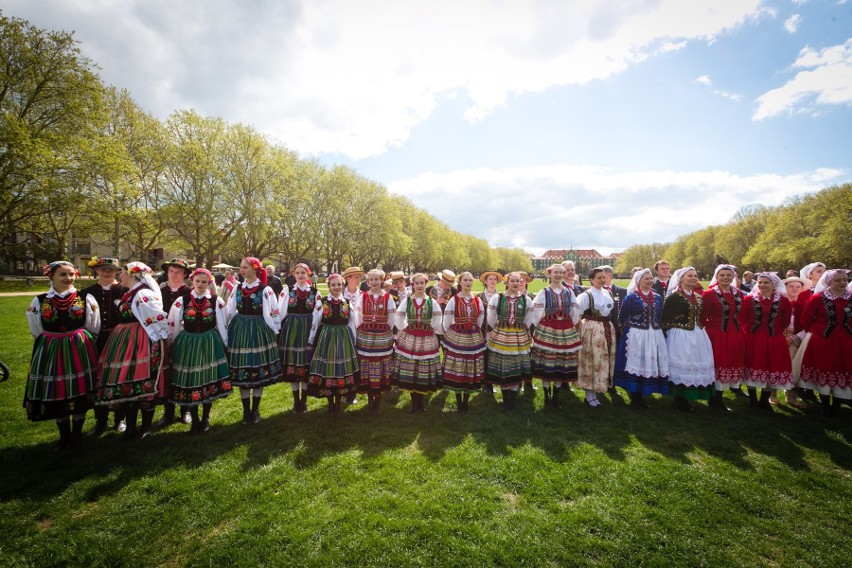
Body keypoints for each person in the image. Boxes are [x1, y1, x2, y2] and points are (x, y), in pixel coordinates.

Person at [25, 261, 100, 449]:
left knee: (79, 387)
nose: (68, 278)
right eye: (62, 274)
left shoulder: (85, 297)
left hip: (79, 347)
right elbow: (36, 329)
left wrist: (81, 340)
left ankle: (77, 434)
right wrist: (52, 341)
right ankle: (64, 434)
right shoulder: (39, 301)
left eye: (71, 274)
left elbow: (93, 325)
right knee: (58, 388)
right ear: (51, 276)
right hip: (52, 349)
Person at [95, 262, 169, 439]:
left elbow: (157, 320)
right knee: (128, 381)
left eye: (123, 272)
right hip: (127, 339)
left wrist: (160, 342)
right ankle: (130, 425)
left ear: (132, 275)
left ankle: (145, 426)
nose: (120, 275)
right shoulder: (131, 293)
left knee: (143, 380)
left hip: (141, 340)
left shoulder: (143, 294)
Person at [166, 268, 232, 433]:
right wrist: (171, 343)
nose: (201, 285)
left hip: (209, 342)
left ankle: (205, 418)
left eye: (204, 282)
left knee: (207, 377)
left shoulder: (217, 301)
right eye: (198, 281)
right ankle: (195, 420)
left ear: (209, 282)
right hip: (188, 342)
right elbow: (173, 323)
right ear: (192, 282)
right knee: (192, 380)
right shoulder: (182, 300)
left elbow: (223, 324)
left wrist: (225, 344)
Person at [226, 257, 283, 424]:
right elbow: (229, 311)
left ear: (254, 269)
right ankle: (246, 411)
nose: (241, 270)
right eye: (240, 267)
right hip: (241, 329)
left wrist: (275, 330)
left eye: (245, 267)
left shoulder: (265, 290)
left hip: (259, 329)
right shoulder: (237, 288)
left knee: (258, 368)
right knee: (243, 367)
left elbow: (273, 311)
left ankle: (255, 409)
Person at [80, 257, 128, 436]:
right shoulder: (86, 292)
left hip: (119, 339)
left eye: (111, 269)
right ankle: (100, 420)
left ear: (117, 271)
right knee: (98, 377)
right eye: (102, 269)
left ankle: (120, 418)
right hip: (95, 341)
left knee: (119, 376)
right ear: (97, 270)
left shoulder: (125, 291)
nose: (107, 272)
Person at [793, 269, 851, 415]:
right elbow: (806, 319)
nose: (842, 283)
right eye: (838, 280)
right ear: (829, 282)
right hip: (821, 339)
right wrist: (818, 331)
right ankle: (825, 405)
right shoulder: (818, 298)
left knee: (843, 368)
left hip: (845, 340)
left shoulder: (850, 298)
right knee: (823, 367)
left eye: (845, 279)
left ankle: (837, 404)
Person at [661, 267, 716, 411]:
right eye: (689, 276)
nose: (693, 278)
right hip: (679, 336)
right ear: (681, 279)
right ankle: (679, 398)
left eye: (695, 276)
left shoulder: (698, 297)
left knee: (694, 362)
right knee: (682, 362)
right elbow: (665, 319)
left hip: (697, 335)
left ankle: (688, 395)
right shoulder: (674, 297)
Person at [613, 268, 669, 409]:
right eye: (646, 279)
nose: (650, 281)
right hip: (635, 335)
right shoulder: (631, 297)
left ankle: (643, 394)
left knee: (648, 363)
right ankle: (635, 396)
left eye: (651, 278)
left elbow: (659, 316)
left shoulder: (657, 297)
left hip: (653, 334)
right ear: (639, 281)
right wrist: (630, 332)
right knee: (637, 363)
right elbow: (622, 317)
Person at [307, 273, 360, 416]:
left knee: (341, 369)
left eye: (339, 285)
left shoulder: (347, 302)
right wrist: (312, 339)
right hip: (327, 337)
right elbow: (315, 321)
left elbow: (351, 323)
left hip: (343, 338)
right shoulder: (322, 302)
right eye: (333, 285)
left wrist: (354, 341)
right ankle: (330, 403)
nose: (336, 287)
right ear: (329, 286)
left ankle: (338, 401)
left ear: (342, 286)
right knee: (328, 368)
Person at [529, 264, 581, 408]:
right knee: (547, 361)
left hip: (565, 329)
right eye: (555, 272)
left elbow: (574, 311)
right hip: (548, 329)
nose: (558, 275)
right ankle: (546, 394)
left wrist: (573, 323)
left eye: (560, 272)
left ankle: (556, 395)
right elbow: (536, 311)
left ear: (563, 274)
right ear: (550, 274)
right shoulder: (544, 292)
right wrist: (541, 325)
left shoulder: (569, 292)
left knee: (560, 362)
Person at [740, 272, 794, 411]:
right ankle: (753, 400)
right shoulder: (749, 299)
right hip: (753, 339)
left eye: (766, 282)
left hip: (774, 340)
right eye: (760, 282)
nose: (762, 285)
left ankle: (764, 400)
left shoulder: (783, 301)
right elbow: (743, 319)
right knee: (751, 367)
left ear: (773, 284)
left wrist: (773, 331)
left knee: (771, 368)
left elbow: (785, 321)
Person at [485, 272, 535, 411]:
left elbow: (529, 319)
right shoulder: (497, 298)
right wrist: (501, 327)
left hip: (519, 336)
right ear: (506, 282)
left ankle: (512, 399)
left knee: (517, 366)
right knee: (503, 367)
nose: (515, 283)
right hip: (501, 335)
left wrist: (520, 327)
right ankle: (505, 399)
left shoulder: (526, 299)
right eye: (512, 280)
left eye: (517, 281)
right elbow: (491, 318)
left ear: (520, 283)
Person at [394, 273, 444, 413]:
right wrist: (404, 327)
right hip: (410, 338)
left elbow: (438, 316)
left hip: (427, 338)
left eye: (422, 283)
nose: (420, 286)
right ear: (413, 285)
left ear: (426, 284)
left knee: (422, 370)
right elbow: (399, 315)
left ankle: (420, 403)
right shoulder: (408, 301)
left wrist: (431, 327)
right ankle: (413, 403)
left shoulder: (431, 301)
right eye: (417, 283)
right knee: (410, 369)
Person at [700, 264, 746, 412]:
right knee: (718, 365)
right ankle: (714, 400)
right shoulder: (709, 294)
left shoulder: (738, 293)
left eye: (728, 275)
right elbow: (702, 317)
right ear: (717, 277)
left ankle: (720, 398)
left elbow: (741, 315)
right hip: (716, 335)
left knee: (729, 364)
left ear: (733, 276)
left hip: (735, 334)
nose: (725, 278)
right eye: (722, 275)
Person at [442, 272, 486, 413]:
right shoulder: (454, 300)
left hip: (472, 336)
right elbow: (447, 319)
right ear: (460, 282)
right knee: (457, 365)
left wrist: (475, 328)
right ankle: (458, 399)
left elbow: (480, 317)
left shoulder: (477, 300)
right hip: (457, 335)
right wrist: (452, 332)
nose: (468, 282)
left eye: (470, 280)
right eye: (465, 280)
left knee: (470, 366)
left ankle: (465, 400)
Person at [278, 263, 320, 413]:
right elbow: (281, 312)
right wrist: (279, 330)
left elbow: (318, 313)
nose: (301, 275)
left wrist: (315, 331)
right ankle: (296, 401)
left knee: (305, 364)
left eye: (303, 272)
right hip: (292, 330)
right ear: (293, 275)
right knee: (293, 363)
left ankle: (304, 401)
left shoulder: (315, 292)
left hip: (308, 328)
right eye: (298, 273)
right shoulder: (287, 290)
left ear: (308, 274)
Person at [354, 269, 396, 413]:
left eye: (376, 279)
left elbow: (391, 316)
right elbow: (358, 313)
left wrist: (385, 329)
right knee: (365, 365)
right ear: (367, 282)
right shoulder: (363, 296)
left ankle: (377, 398)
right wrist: (361, 327)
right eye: (370, 280)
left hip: (381, 336)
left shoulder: (387, 298)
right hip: (365, 335)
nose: (373, 282)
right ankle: (369, 396)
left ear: (381, 280)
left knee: (379, 365)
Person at [575, 268, 617, 407]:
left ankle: (597, 391)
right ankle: (589, 395)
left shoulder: (607, 293)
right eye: (599, 277)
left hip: (605, 328)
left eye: (603, 277)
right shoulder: (586, 295)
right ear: (591, 279)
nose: (602, 280)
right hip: (591, 329)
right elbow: (578, 314)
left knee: (602, 360)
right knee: (590, 359)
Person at [158, 258, 191, 427]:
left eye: (179, 271)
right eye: (172, 271)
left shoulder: (190, 292)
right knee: (167, 373)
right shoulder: (159, 292)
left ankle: (185, 410)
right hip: (162, 338)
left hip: (184, 337)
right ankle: (168, 411)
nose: (175, 274)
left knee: (183, 372)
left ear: (185, 274)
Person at [782, 275, 812, 409]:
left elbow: (810, 324)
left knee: (794, 367)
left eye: (797, 287)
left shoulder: (806, 304)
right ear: (785, 288)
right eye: (791, 286)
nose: (794, 289)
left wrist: (795, 337)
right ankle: (772, 394)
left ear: (801, 289)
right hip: (779, 338)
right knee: (777, 364)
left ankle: (791, 395)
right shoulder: (779, 302)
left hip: (796, 339)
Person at [478, 271, 503, 394]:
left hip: (498, 331)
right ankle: (485, 383)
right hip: (483, 332)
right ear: (485, 281)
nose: (492, 281)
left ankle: (494, 381)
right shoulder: (479, 296)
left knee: (495, 357)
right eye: (490, 279)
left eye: (494, 279)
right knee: (485, 357)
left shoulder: (502, 297)